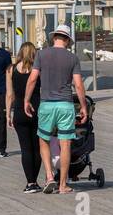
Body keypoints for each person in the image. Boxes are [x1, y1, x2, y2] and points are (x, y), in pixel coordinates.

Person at [24, 24, 87, 195]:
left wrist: (26, 100)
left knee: (43, 139)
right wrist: (83, 106)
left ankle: (49, 176)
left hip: (46, 104)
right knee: (65, 144)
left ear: (54, 38)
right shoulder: (73, 58)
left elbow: (32, 79)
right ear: (67, 40)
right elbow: (79, 85)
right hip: (66, 105)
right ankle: (62, 185)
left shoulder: (41, 54)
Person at [7, 42, 43, 192]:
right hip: (37, 110)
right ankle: (35, 180)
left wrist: (8, 113)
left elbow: (10, 95)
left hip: (20, 112)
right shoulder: (38, 70)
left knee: (25, 148)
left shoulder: (11, 70)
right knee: (38, 148)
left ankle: (30, 182)